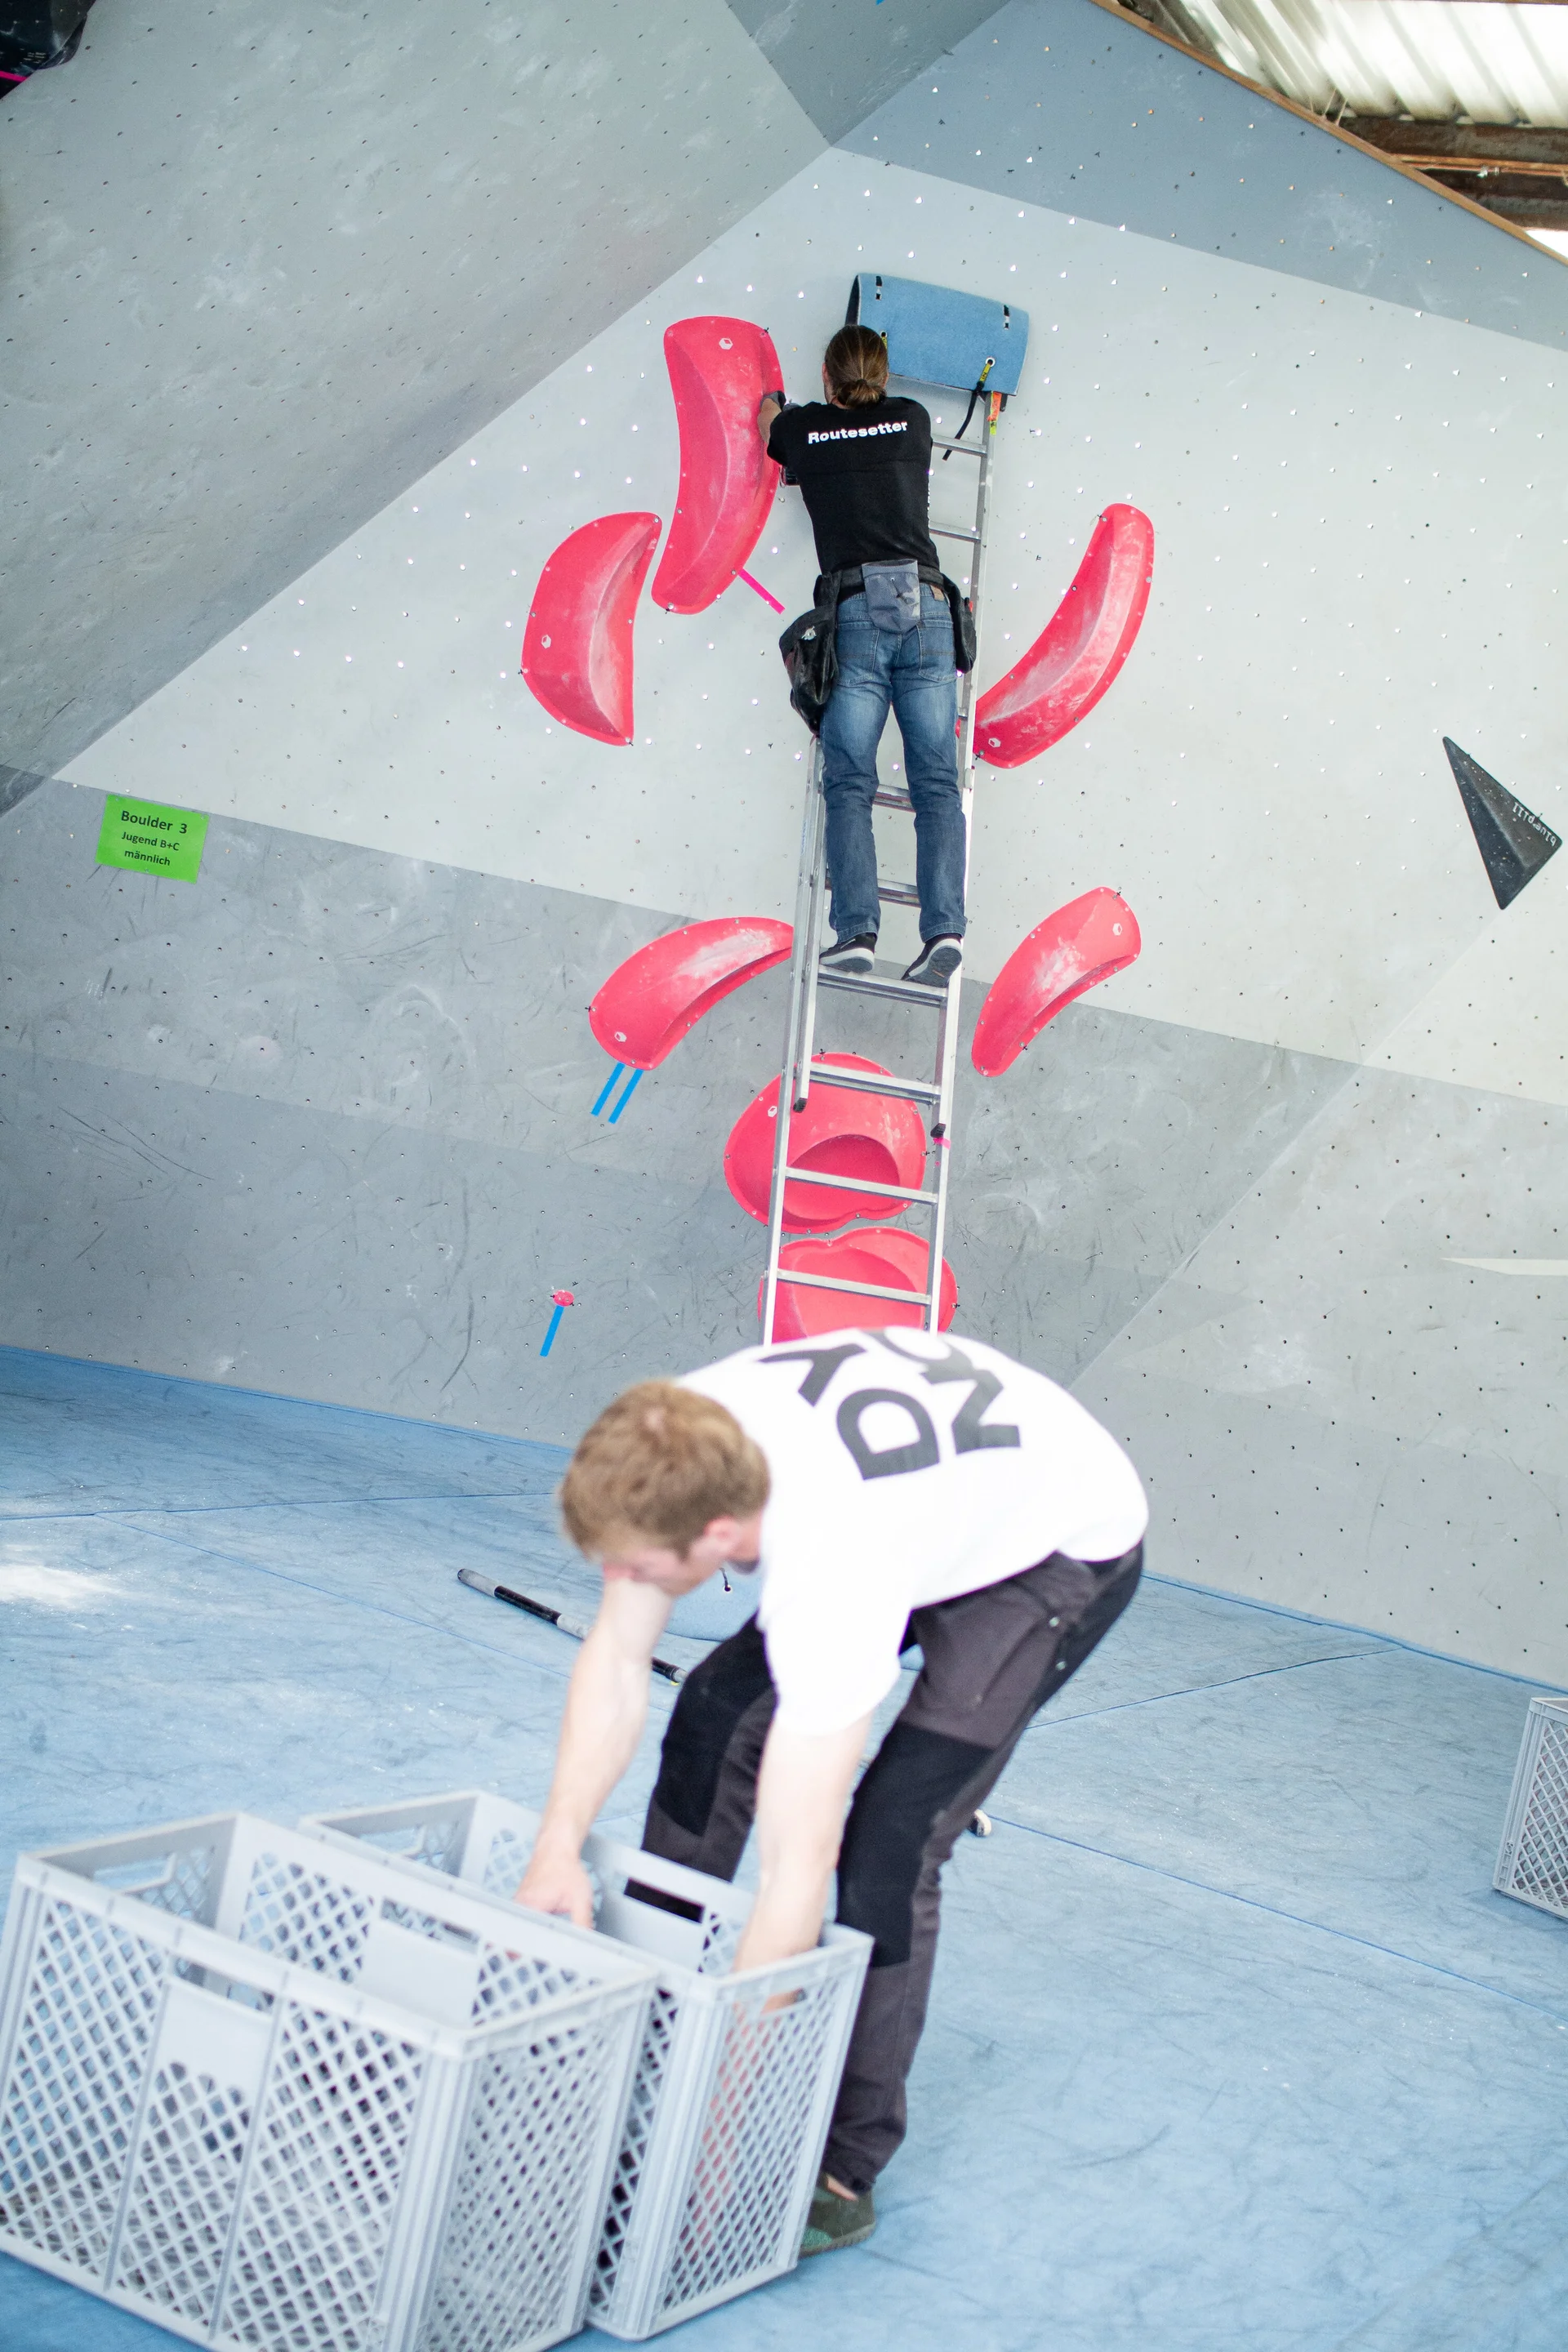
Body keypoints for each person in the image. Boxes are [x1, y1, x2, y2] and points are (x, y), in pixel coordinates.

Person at [515, 1327, 1147, 2256]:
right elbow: (616, 1651)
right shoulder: (673, 1431)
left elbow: (792, 1873)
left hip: (1052, 1546)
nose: (628, 1585)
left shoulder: (836, 1563)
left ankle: (845, 2164)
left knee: (891, 1839)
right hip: (927, 1497)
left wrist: (719, 2134)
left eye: (646, 1570)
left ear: (722, 1536)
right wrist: (555, 1849)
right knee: (713, 1713)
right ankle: (656, 1988)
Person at [759, 326, 966, 989]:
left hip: (855, 615)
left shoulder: (806, 432)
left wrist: (774, 402)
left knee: (850, 780)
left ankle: (856, 932)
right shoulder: (912, 420)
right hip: (926, 609)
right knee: (936, 782)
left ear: (825, 378)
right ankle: (945, 931)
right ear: (885, 375)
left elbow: (769, 423)